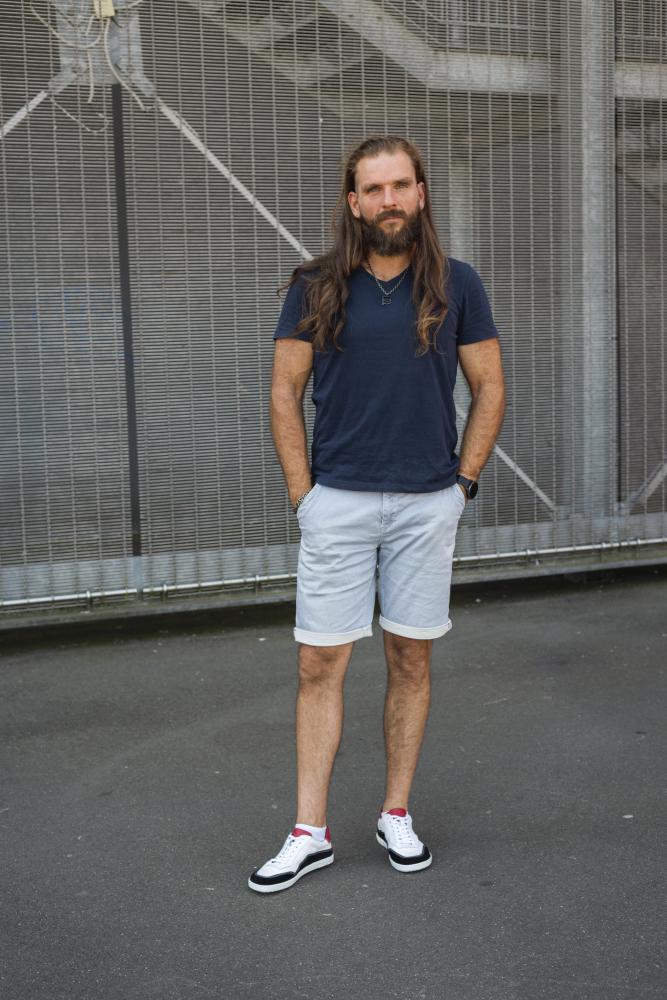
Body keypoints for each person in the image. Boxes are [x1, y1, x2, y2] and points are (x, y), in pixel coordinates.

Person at [248, 135, 505, 893]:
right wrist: (304, 495)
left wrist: (460, 485)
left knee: (410, 659)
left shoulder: (457, 284)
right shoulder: (317, 285)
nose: (388, 199)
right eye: (373, 188)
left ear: (420, 194)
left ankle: (395, 812)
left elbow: (489, 386)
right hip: (338, 502)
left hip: (428, 503)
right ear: (353, 202)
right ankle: (308, 831)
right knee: (318, 662)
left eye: (401, 185)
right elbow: (281, 392)